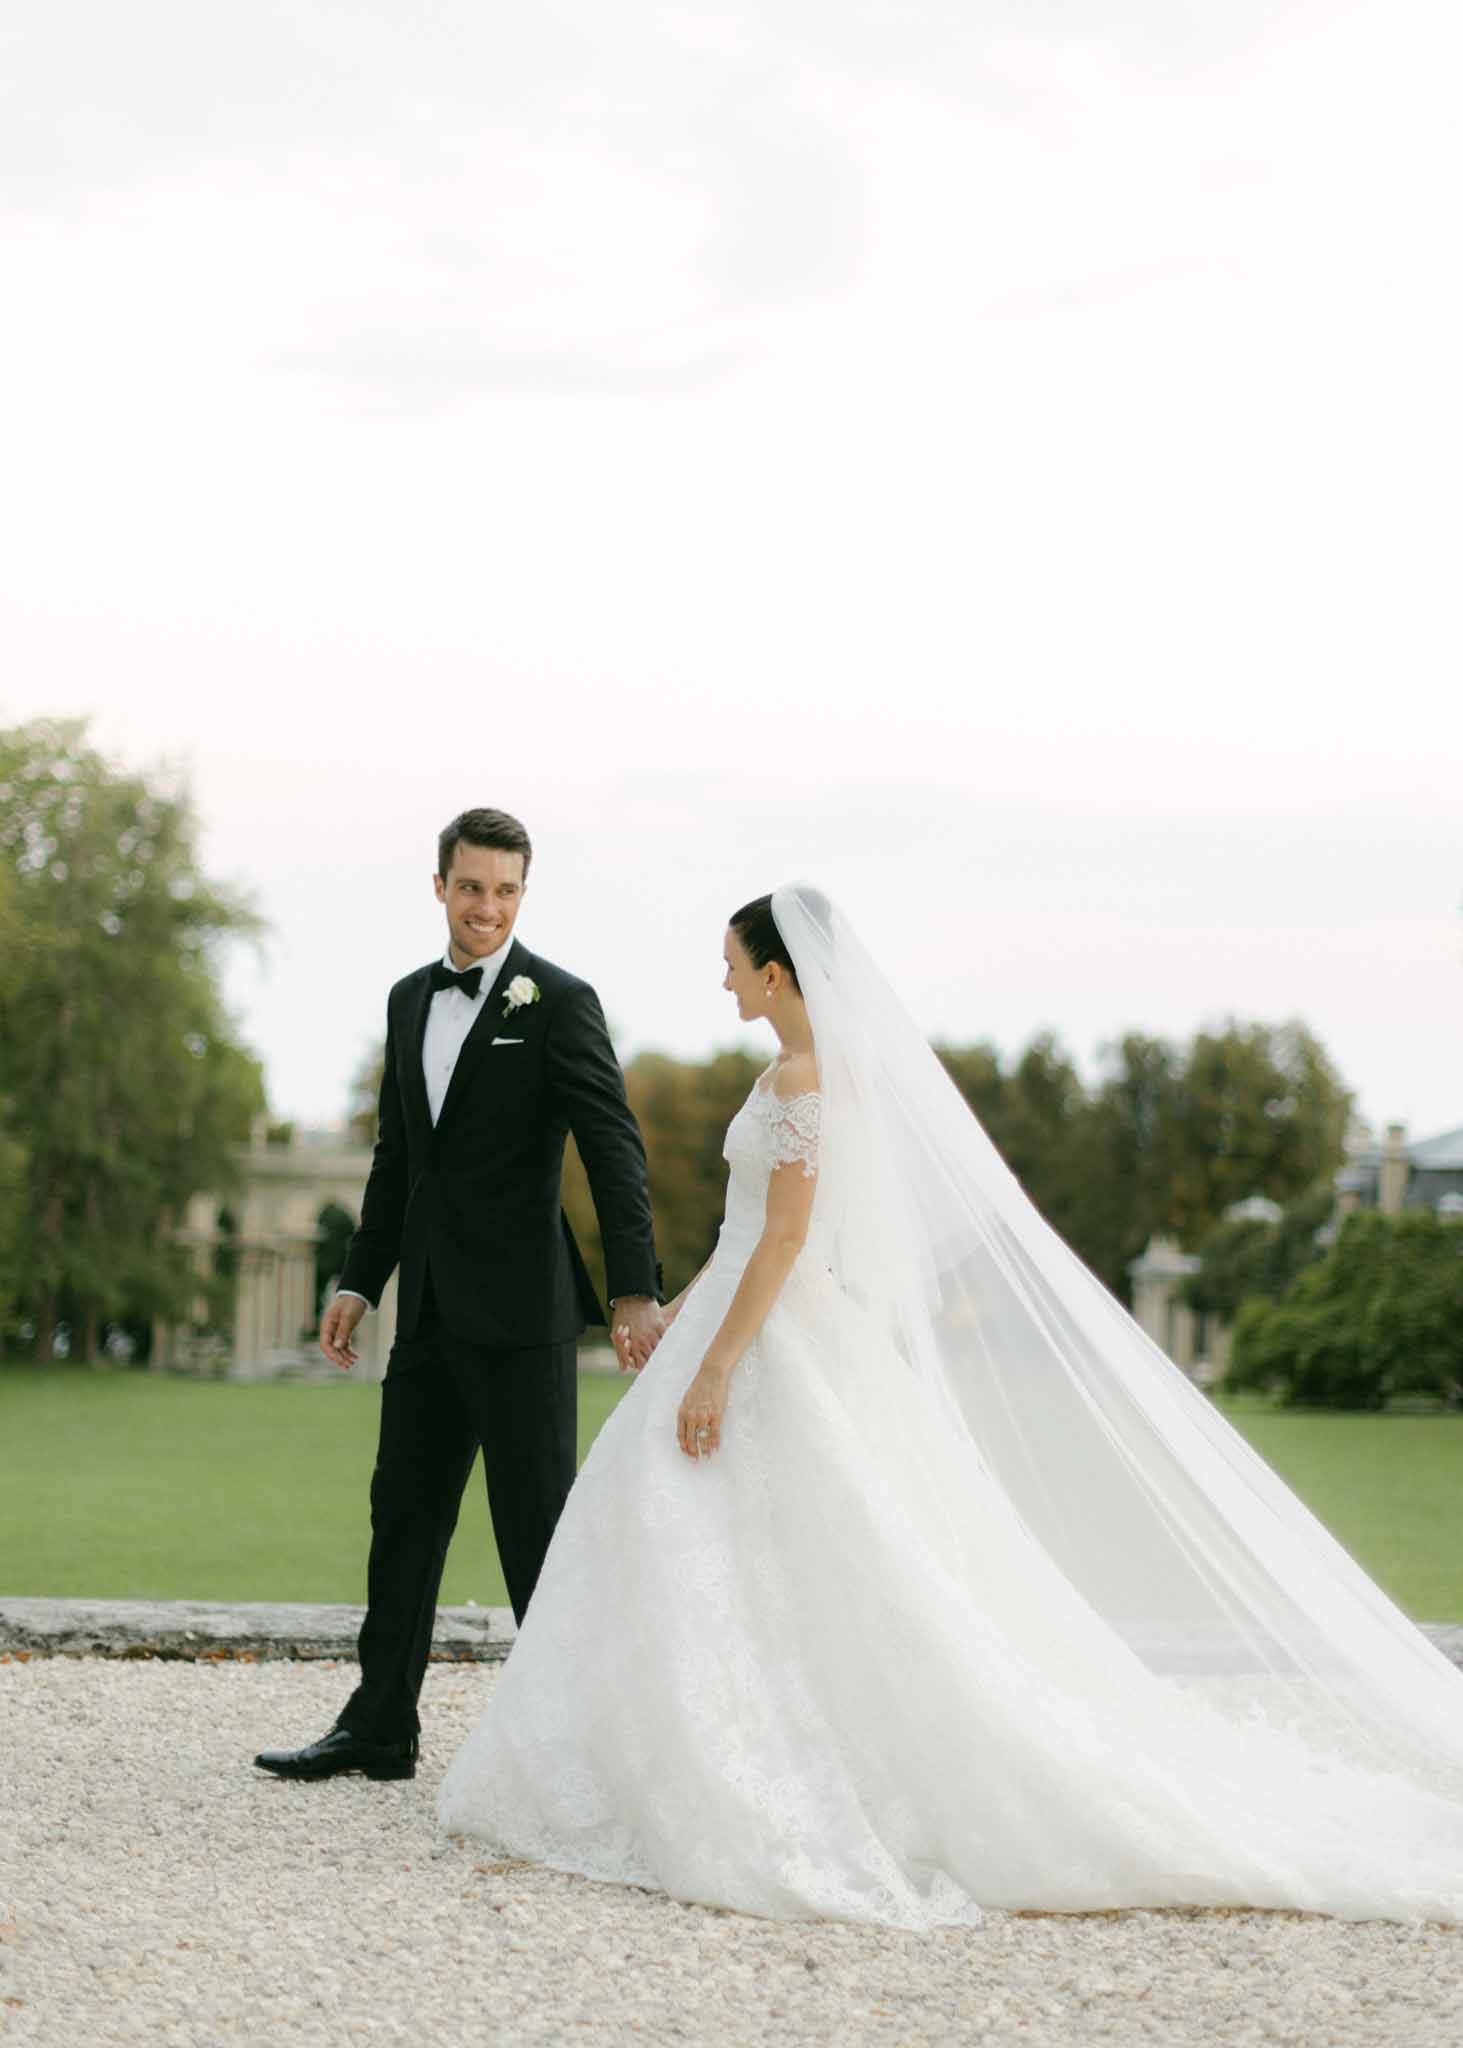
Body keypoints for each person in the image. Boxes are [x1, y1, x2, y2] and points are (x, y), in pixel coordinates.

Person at [436, 882, 1463, 1931]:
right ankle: (647, 1755)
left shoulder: (805, 1078)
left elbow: (786, 1242)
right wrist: (680, 1320)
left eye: (733, 960)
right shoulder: (784, 1071)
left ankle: (769, 1760)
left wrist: (715, 1366)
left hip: (773, 1336)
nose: (723, 976)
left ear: (776, 973)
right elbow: (746, 1232)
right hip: (741, 1315)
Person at [255, 808, 663, 1784]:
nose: (487, 907)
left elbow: (613, 1151)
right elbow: (400, 1158)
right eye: (471, 885)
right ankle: (379, 1725)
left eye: (506, 890)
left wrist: (635, 1288)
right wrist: (360, 1277)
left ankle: (572, 1748)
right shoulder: (406, 1001)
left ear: (523, 893)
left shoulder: (558, 1000)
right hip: (429, 1312)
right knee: (402, 1516)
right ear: (439, 884)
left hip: (522, 1317)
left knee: (536, 1536)